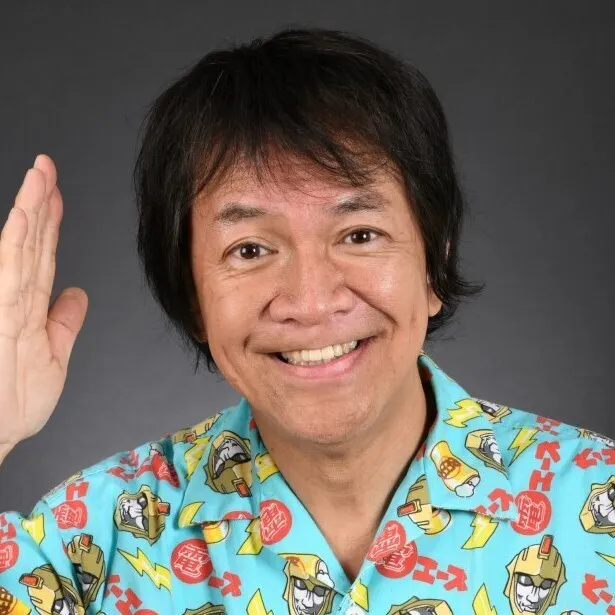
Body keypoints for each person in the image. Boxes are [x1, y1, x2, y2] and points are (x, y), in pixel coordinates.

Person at [0, 27, 613, 615]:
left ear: (433, 265)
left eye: (359, 234)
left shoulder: (596, 505)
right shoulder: (94, 545)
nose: (313, 301)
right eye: (249, 249)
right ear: (192, 297)